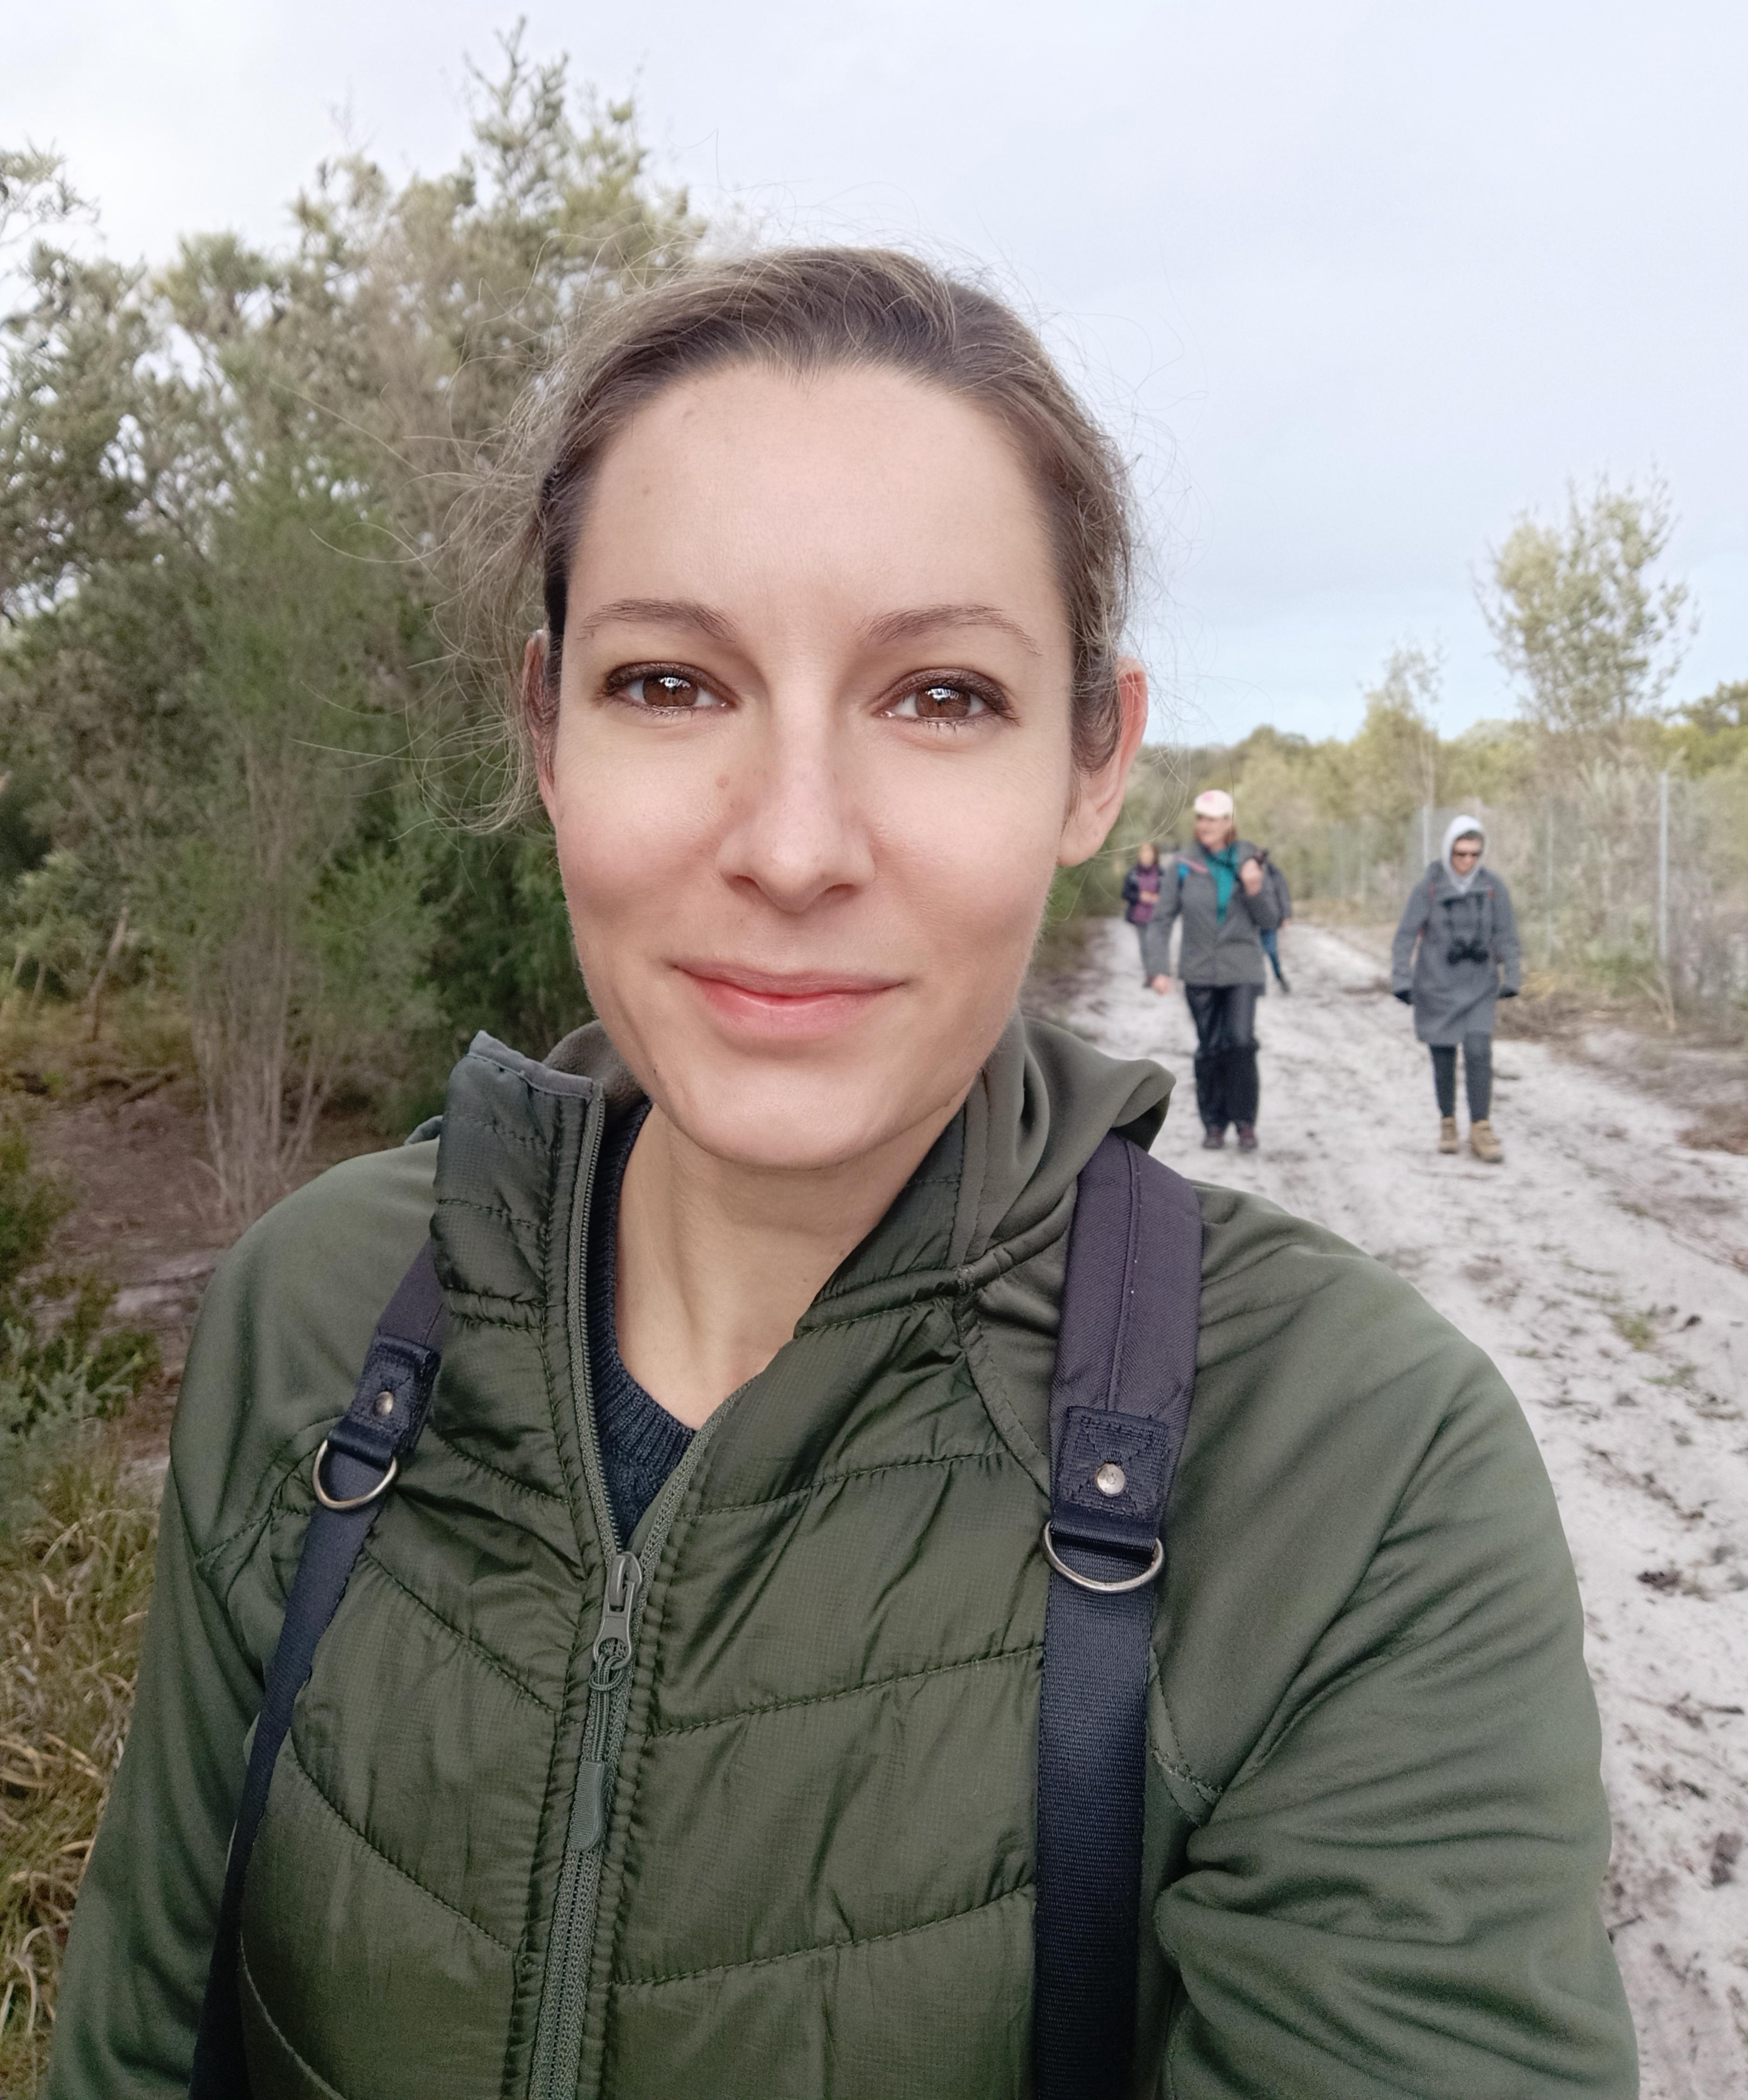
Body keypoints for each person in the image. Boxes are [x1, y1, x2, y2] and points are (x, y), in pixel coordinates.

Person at [50, 251, 1633, 2100]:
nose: (793, 843)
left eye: (940, 694)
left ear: (1089, 762)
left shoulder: (1349, 1475)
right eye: (668, 679)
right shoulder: (320, 1311)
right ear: (544, 731)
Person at [1142, 789, 1280, 1152]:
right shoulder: (1184, 865)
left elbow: (1271, 919)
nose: (1206, 825)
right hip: (1199, 970)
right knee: (1210, 1046)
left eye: (1215, 819)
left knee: (1240, 1042)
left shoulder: (1253, 860)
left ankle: (1245, 1124)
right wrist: (1158, 968)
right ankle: (1214, 1125)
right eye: (1201, 818)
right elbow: (1160, 921)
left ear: (1230, 822)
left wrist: (1254, 887)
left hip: (1242, 968)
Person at [1392, 813, 1522, 1162]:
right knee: (1444, 1057)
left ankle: (1481, 1128)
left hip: (1479, 984)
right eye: (1460, 854)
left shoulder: (1493, 887)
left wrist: (1513, 975)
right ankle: (1448, 1122)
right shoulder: (1429, 887)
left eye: (1474, 854)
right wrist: (1401, 979)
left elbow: (1507, 934)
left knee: (1479, 1052)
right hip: (1436, 985)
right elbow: (1406, 936)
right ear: (1448, 850)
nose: (1467, 861)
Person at [1119, 839, 1164, 980]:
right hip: (1139, 916)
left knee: (1155, 946)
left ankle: (1157, 972)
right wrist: (1140, 897)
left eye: (1149, 851)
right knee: (1144, 946)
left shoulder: (1163, 873)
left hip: (1157, 916)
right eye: (1143, 851)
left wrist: (1159, 897)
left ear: (1155, 854)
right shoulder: (1132, 873)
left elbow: (1171, 894)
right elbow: (1125, 893)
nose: (1146, 854)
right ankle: (1149, 975)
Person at [1254, 848, 1292, 993]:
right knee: (1257, 953)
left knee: (1271, 952)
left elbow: (1283, 894)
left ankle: (1280, 979)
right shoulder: (1245, 872)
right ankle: (1258, 983)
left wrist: (1285, 915)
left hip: (1271, 920)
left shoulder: (1273, 874)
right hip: (1254, 922)